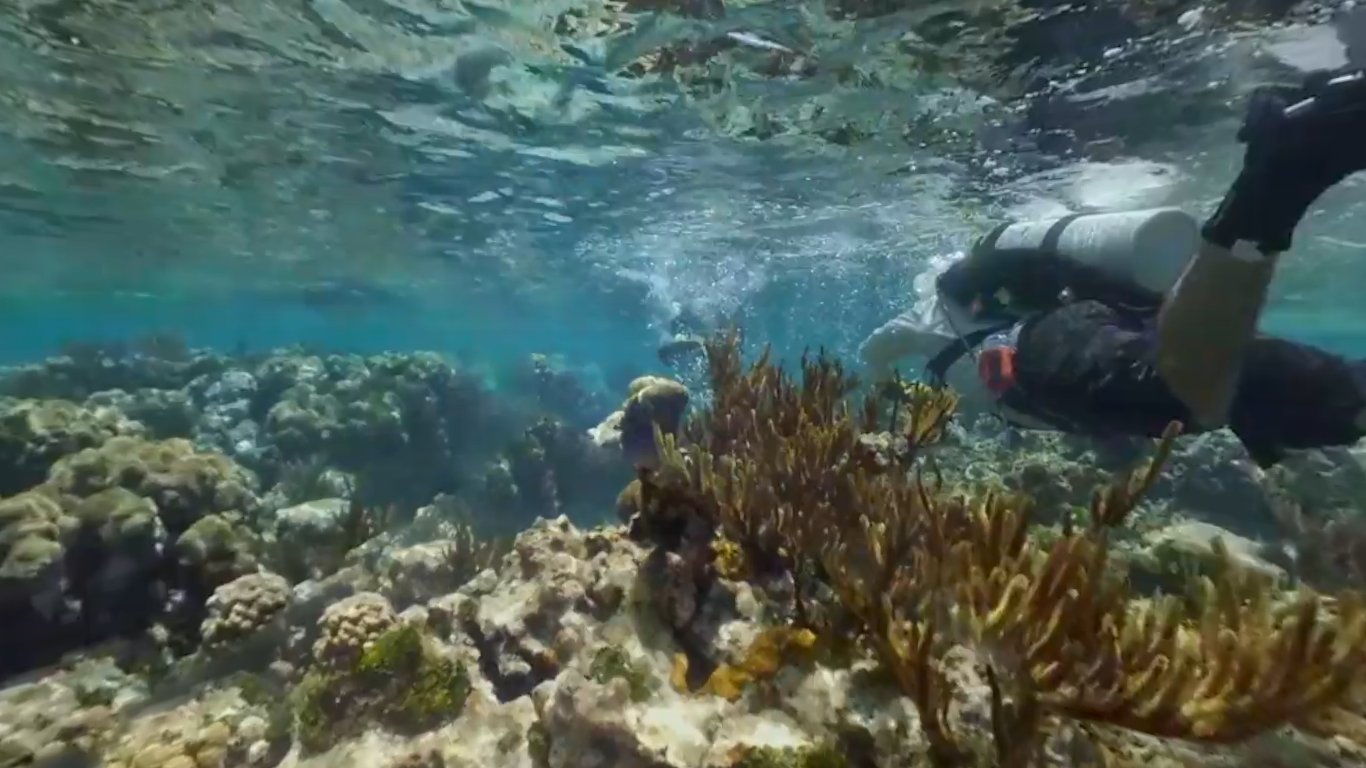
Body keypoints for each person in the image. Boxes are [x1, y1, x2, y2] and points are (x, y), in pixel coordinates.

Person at [861, 67, 1366, 467]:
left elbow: (874, 351)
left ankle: (1277, 179)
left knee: (1184, 395)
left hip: (1038, 347)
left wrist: (878, 401)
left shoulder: (922, 313)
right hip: (1109, 315)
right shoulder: (969, 297)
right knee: (1292, 388)